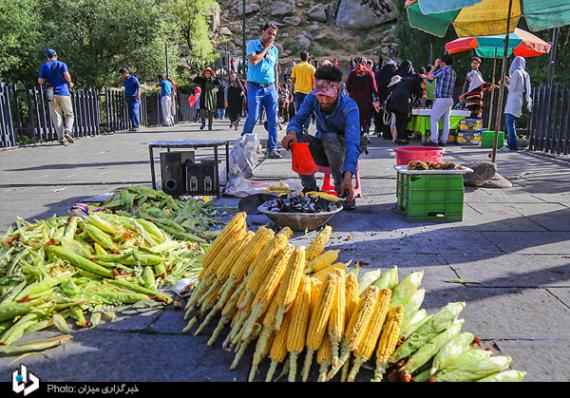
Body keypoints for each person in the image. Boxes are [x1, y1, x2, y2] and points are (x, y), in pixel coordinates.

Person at [281, 64, 361, 209]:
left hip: (342, 152)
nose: (323, 101)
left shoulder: (349, 107)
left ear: (337, 90)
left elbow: (353, 143)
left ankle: (342, 189)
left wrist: (348, 176)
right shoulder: (312, 98)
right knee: (297, 139)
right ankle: (310, 189)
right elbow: (298, 120)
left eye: (327, 96)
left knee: (330, 138)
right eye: (320, 96)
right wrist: (291, 133)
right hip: (321, 147)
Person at [241, 22, 281, 158]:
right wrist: (266, 48)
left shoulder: (275, 50)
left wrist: (276, 88)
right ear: (263, 32)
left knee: (273, 119)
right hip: (254, 87)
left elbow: (275, 69)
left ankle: (272, 148)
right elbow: (254, 61)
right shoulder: (252, 44)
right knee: (254, 116)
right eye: (269, 33)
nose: (271, 36)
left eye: (274, 35)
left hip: (270, 87)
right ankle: (243, 144)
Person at [37, 49, 75, 145]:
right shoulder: (62, 64)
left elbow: (40, 81)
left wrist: (46, 80)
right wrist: (70, 83)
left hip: (52, 93)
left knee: (56, 116)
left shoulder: (44, 66)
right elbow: (66, 76)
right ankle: (68, 131)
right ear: (56, 56)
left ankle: (61, 139)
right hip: (64, 92)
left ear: (47, 57)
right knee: (69, 114)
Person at [345, 56, 380, 139]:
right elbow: (374, 88)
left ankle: (358, 135)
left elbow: (348, 86)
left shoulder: (353, 74)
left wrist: (352, 94)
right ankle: (365, 133)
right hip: (366, 100)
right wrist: (376, 99)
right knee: (366, 117)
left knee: (356, 117)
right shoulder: (369, 73)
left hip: (355, 99)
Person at [503, 56, 532, 151]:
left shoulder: (516, 73)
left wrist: (505, 83)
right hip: (519, 100)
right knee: (512, 123)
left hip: (513, 101)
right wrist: (509, 81)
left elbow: (512, 88)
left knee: (510, 124)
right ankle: (511, 145)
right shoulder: (525, 74)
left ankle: (512, 146)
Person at [387, 71, 423, 145]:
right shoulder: (416, 81)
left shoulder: (404, 80)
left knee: (398, 119)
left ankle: (400, 137)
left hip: (394, 99)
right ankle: (403, 138)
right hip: (403, 100)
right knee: (404, 119)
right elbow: (419, 93)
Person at [428, 55, 457, 146]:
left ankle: (434, 140)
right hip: (449, 99)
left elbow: (429, 77)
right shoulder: (453, 72)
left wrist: (435, 66)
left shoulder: (443, 70)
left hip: (441, 99)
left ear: (443, 62)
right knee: (446, 120)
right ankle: (444, 140)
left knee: (434, 119)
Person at [291, 50, 316, 130]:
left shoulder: (296, 67)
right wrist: (314, 91)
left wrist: (291, 91)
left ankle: (299, 126)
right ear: (307, 57)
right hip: (308, 92)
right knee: (308, 111)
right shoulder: (311, 68)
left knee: (299, 111)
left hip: (298, 91)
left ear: (300, 57)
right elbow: (313, 81)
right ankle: (306, 127)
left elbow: (293, 80)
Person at [375, 58, 397, 139]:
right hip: (391, 97)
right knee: (390, 115)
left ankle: (380, 130)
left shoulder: (379, 73)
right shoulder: (394, 73)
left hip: (381, 97)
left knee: (380, 114)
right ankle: (390, 133)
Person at [119, 67, 141, 132]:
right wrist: (125, 99)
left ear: (125, 73)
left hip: (134, 98)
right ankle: (133, 126)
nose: (121, 76)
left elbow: (138, 87)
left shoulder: (133, 78)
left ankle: (136, 126)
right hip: (128, 98)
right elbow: (126, 90)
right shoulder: (125, 81)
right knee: (130, 113)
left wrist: (138, 95)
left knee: (134, 111)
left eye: (121, 74)